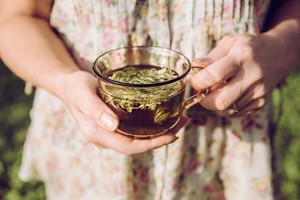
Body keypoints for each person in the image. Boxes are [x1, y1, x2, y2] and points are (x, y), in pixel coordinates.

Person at [0, 0, 299, 199]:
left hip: (229, 142)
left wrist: (285, 43)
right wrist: (64, 82)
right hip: (90, 146)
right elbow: (15, 16)